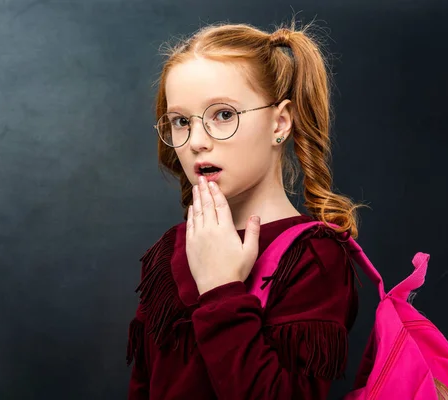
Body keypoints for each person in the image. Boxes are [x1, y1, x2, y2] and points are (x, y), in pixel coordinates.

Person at [126, 20, 366, 399]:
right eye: (181, 121)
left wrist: (222, 290)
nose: (197, 142)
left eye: (223, 114)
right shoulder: (169, 251)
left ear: (280, 122)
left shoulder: (314, 256)